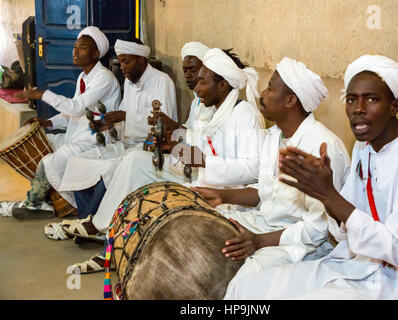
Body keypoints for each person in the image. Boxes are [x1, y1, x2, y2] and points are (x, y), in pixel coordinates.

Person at [226, 55, 398, 300]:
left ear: (394, 106)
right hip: (355, 263)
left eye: (372, 99)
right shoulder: (364, 147)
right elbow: (344, 231)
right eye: (352, 99)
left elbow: (397, 251)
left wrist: (329, 195)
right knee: (246, 288)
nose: (358, 109)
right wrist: (323, 194)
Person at [65, 47, 266, 273]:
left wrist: (202, 160)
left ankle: (109, 249)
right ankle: (104, 228)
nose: (197, 89)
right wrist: (174, 144)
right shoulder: (213, 111)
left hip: (223, 190)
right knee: (135, 160)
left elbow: (253, 169)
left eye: (202, 82)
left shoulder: (245, 115)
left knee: (141, 175)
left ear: (223, 85)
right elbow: (197, 143)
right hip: (199, 174)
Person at [192, 57, 350, 298]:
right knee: (199, 234)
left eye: (270, 88)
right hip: (262, 223)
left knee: (243, 286)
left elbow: (317, 230)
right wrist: (223, 196)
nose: (262, 94)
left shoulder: (324, 146)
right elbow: (264, 193)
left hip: (300, 246)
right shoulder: (274, 136)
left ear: (290, 100)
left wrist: (259, 241)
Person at [42, 37, 178, 240]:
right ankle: (86, 218)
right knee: (78, 162)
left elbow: (163, 125)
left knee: (108, 169)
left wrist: (125, 117)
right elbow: (124, 114)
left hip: (146, 149)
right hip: (125, 143)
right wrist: (106, 124)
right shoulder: (131, 82)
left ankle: (96, 224)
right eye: (120, 61)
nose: (122, 67)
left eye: (126, 61)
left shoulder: (162, 82)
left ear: (141, 60)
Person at [0, 26, 121, 219]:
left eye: (82, 48)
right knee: (41, 143)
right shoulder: (84, 77)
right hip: (77, 135)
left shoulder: (104, 78)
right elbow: (71, 114)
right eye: (75, 47)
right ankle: (47, 201)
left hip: (95, 140)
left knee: (51, 161)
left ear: (96, 53)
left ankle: (34, 203)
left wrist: (42, 94)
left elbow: (76, 107)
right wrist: (48, 122)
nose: (75, 51)